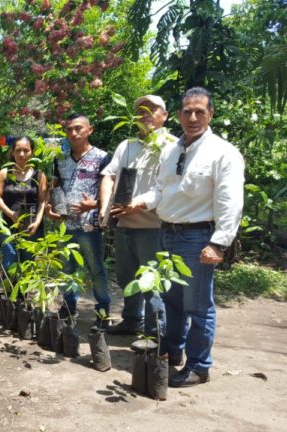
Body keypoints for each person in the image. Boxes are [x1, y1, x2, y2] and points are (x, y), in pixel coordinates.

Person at [128, 87, 244, 387]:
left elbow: (230, 202)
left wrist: (218, 244)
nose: (192, 117)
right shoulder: (170, 149)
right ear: (178, 115)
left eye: (199, 111)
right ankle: (173, 350)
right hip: (166, 234)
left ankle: (199, 366)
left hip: (197, 238)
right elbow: (162, 190)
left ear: (211, 114)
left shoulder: (223, 153)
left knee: (197, 306)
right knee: (171, 302)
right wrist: (139, 201)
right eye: (187, 111)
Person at [99, 95, 177, 337]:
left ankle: (156, 335)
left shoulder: (174, 146)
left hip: (155, 228)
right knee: (127, 278)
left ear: (164, 115)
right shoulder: (127, 145)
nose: (145, 114)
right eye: (141, 110)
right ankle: (132, 321)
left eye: (152, 110)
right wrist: (104, 208)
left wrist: (139, 205)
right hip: (123, 225)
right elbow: (109, 176)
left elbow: (172, 188)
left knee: (153, 284)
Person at [46, 113, 111, 327]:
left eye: (78, 128)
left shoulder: (102, 157)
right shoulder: (60, 159)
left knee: (96, 269)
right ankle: (68, 306)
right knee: (67, 268)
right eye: (70, 129)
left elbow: (110, 188)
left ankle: (103, 310)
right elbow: (55, 186)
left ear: (89, 130)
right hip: (65, 225)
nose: (74, 133)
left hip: (89, 225)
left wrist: (95, 205)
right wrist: (53, 208)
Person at [0, 136, 48, 279]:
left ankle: (23, 299)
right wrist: (11, 214)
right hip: (8, 226)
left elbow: (43, 201)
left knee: (28, 264)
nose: (22, 154)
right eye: (18, 150)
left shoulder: (39, 175)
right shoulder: (5, 173)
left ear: (32, 152)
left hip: (31, 227)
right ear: (12, 152)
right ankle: (11, 299)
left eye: (26, 150)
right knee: (9, 262)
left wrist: (37, 222)